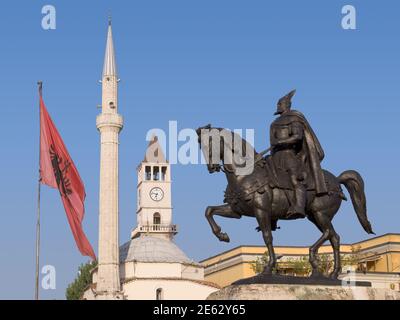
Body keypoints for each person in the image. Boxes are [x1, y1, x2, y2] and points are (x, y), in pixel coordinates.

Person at [269, 90, 327, 217]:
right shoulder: (274, 122)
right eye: (278, 104)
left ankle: (299, 207)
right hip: (276, 156)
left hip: (289, 155)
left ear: (286, 105)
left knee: (295, 179)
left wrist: (280, 142)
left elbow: (297, 137)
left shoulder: (294, 119)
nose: (278, 106)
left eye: (280, 104)